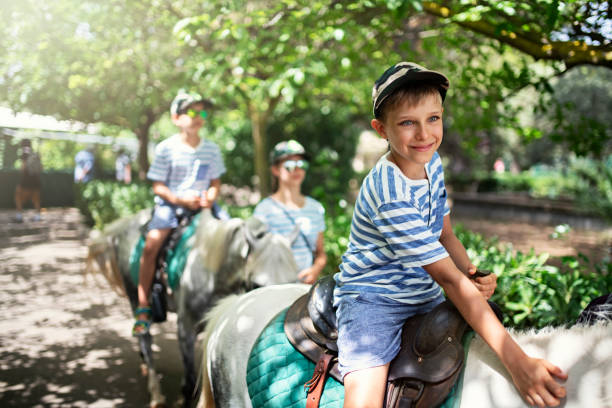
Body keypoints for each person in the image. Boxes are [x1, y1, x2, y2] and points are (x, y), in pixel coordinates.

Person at [333, 62, 567, 408]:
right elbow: (450, 282)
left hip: (421, 290)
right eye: (407, 123)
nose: (424, 134)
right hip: (375, 301)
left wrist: (472, 273)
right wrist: (519, 365)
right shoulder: (389, 191)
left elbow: (445, 234)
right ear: (381, 129)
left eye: (433, 118)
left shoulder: (432, 163)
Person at [132, 90, 225, 336]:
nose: (198, 117)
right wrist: (179, 199)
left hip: (204, 205)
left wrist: (210, 197)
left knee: (234, 236)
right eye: (191, 111)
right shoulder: (166, 148)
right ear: (176, 118)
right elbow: (158, 185)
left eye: (202, 112)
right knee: (152, 244)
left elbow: (215, 183)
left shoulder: (212, 149)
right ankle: (143, 305)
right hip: (172, 206)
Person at [253, 140, 326, 284]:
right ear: (275, 170)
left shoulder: (315, 208)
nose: (297, 170)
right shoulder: (263, 210)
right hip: (274, 291)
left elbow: (320, 254)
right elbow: (255, 256)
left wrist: (315, 270)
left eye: (302, 165)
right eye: (290, 165)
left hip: (305, 292)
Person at [14, 139, 43, 222]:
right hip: (36, 180)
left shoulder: (24, 152)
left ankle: (19, 216)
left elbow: (23, 167)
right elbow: (41, 168)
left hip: (26, 180)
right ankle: (38, 216)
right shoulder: (35, 153)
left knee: (18, 195)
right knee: (36, 199)